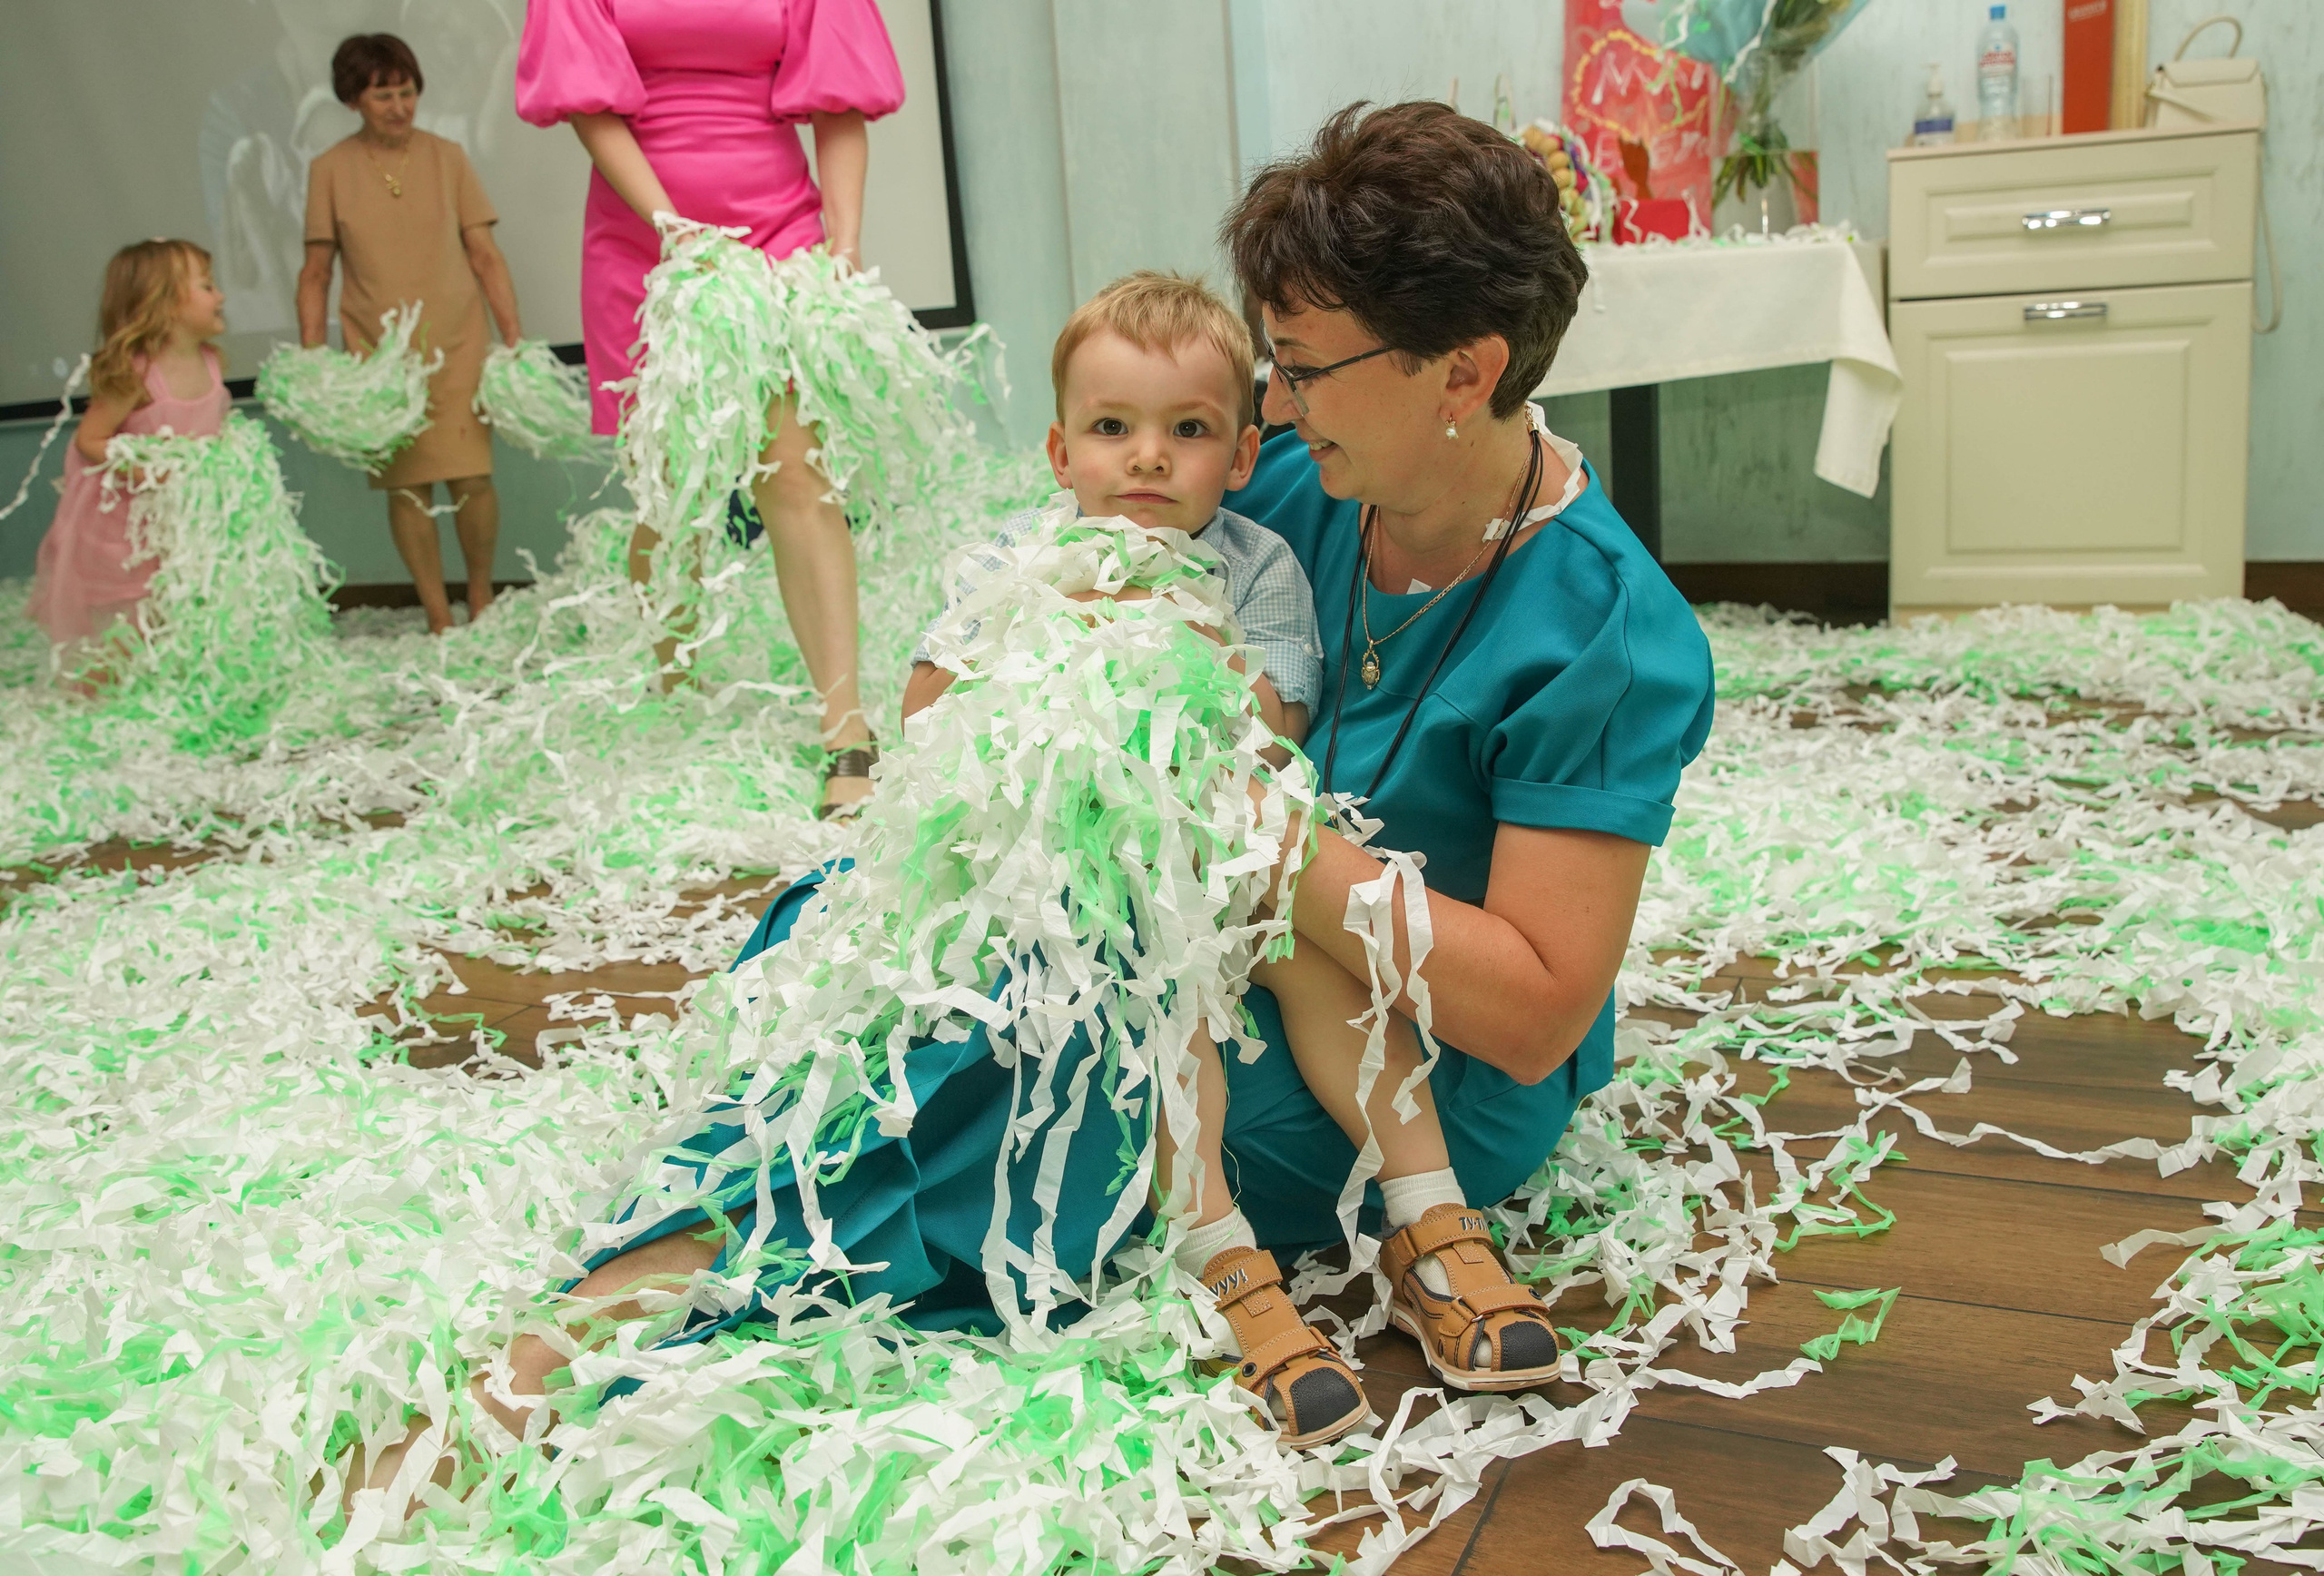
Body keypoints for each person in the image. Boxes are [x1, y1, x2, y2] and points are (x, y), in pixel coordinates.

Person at [515, 0, 906, 816]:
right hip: (646, 244)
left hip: (780, 234)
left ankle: (847, 732)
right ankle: (675, 678)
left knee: (798, 477)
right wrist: (675, 231)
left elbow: (838, 103)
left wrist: (844, 244)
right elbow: (590, 106)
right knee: (673, 492)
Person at [298, 33, 523, 635]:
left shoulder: (448, 157)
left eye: (407, 92)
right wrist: (316, 362)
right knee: (408, 489)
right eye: (383, 96)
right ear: (352, 100)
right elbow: (316, 272)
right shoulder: (329, 171)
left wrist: (514, 341)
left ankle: (479, 596)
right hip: (380, 354)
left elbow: (486, 256)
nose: (399, 107)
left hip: (458, 339)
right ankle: (435, 615)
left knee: (473, 477)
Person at [26, 240, 231, 678]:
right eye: (208, 286)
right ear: (166, 303)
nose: (222, 297)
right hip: (130, 521)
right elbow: (91, 438)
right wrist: (144, 471)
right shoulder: (136, 373)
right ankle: (112, 683)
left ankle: (174, 676)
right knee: (130, 611)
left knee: (182, 600)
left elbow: (215, 427)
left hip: (184, 519)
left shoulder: (211, 363)